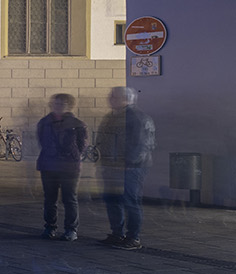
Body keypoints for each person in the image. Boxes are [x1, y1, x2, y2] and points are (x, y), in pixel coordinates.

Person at [96, 86, 154, 250]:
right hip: (112, 166)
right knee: (112, 200)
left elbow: (142, 144)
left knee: (130, 201)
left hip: (130, 168)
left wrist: (131, 163)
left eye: (114, 96)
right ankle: (117, 234)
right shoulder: (111, 117)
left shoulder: (137, 118)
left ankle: (133, 237)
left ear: (127, 99)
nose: (110, 98)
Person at [34, 93, 89, 241]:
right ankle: (49, 227)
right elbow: (42, 141)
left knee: (69, 198)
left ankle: (71, 229)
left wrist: (71, 156)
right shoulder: (44, 122)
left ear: (69, 106)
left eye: (61, 104)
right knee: (49, 199)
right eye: (55, 103)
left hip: (69, 167)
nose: (57, 106)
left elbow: (81, 145)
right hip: (48, 165)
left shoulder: (77, 124)